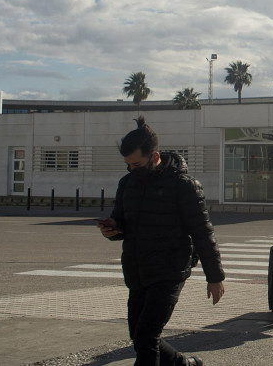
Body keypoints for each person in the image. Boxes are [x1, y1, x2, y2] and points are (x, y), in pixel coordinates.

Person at [96, 117, 224, 366]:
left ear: (154, 157)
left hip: (169, 270)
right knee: (139, 336)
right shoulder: (127, 183)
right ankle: (182, 364)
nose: (132, 169)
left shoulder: (183, 185)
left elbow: (202, 231)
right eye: (128, 165)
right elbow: (122, 222)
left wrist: (215, 276)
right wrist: (112, 230)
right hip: (137, 271)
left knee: (146, 336)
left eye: (137, 164)